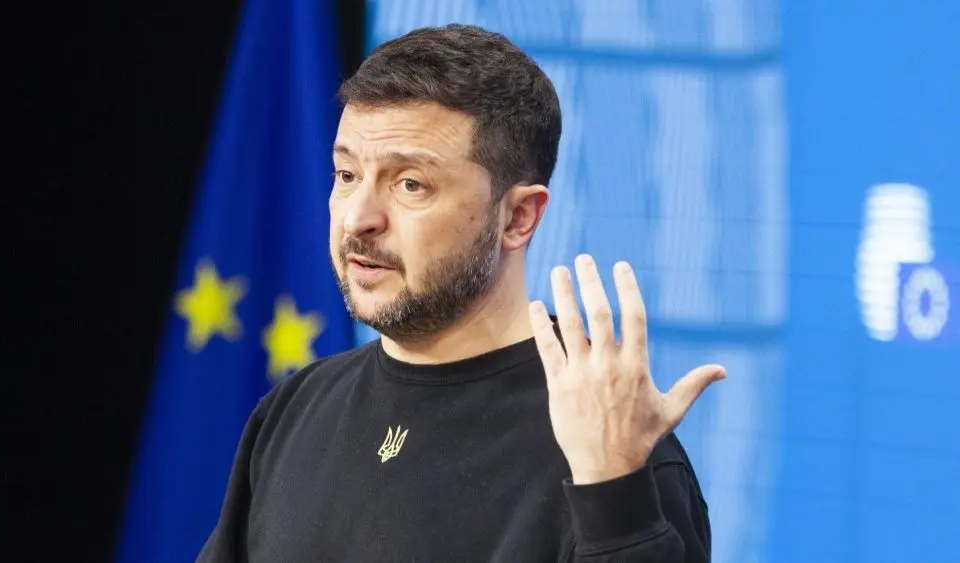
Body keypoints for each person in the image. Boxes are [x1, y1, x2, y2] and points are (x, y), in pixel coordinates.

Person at [197, 23, 725, 563]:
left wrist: (613, 493)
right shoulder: (296, 409)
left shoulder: (612, 453)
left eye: (410, 184)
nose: (358, 219)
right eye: (347, 173)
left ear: (518, 217)